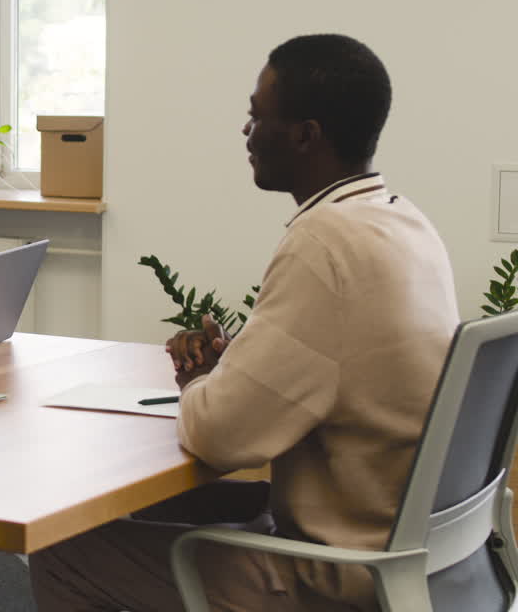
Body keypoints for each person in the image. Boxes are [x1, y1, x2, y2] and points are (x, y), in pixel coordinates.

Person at [29, 34, 459, 611]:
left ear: (306, 135)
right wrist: (233, 371)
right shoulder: (403, 222)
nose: (246, 132)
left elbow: (221, 437)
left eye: (257, 117)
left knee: (64, 547)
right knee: (163, 511)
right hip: (417, 550)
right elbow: (334, 368)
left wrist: (197, 385)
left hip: (337, 575)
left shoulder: (324, 242)